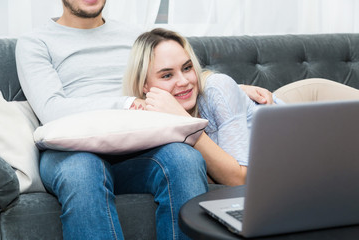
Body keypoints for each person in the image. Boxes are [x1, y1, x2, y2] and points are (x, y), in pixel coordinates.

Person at [15, 1, 210, 240]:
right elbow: (50, 109)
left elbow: (174, 74)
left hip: (134, 149)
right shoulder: (35, 42)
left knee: (184, 158)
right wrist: (126, 104)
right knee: (83, 170)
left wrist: (228, 86)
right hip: (69, 152)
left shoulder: (136, 36)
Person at [122, 28, 285, 186]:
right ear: (144, 86)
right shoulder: (148, 114)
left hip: (292, 121)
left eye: (187, 68)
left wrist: (188, 125)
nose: (184, 81)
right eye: (167, 75)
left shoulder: (217, 89)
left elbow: (239, 180)